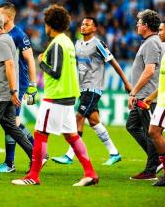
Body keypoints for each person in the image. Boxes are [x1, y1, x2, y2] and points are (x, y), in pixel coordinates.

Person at [12, 4, 98, 186]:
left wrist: (42, 61)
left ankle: (33, 176)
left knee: (40, 133)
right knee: (71, 135)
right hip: (67, 95)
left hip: (56, 97)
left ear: (49, 24)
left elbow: (56, 72)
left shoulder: (58, 43)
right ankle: (90, 173)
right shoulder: (67, 42)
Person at [52, 17, 132, 166]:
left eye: (87, 24)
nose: (83, 26)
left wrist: (126, 82)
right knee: (94, 121)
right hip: (82, 88)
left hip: (94, 88)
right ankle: (114, 153)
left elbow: (113, 62)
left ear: (94, 28)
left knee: (78, 117)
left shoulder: (98, 44)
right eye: (82, 24)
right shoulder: (77, 44)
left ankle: (70, 155)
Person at [0, 12, 33, 173]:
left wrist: (13, 91)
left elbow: (9, 65)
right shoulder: (4, 39)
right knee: (11, 127)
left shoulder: (1, 42)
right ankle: (36, 156)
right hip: (4, 92)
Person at [0, 2, 40, 173]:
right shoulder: (1, 33)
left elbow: (30, 59)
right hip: (6, 83)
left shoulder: (19, 35)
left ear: (9, 17)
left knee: (12, 122)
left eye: (0, 14)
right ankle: (38, 154)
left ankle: (11, 163)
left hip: (18, 84)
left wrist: (32, 85)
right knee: (10, 122)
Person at [127, 9, 163, 180]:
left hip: (147, 96)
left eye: (139, 22)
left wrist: (133, 92)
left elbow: (149, 71)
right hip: (143, 95)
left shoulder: (151, 43)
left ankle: (151, 169)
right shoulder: (150, 41)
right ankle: (155, 159)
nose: (137, 25)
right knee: (132, 125)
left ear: (146, 26)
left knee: (151, 133)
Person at [144, 21, 165, 186]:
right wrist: (152, 96)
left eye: (161, 30)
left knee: (154, 132)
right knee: (154, 132)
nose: (159, 33)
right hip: (161, 101)